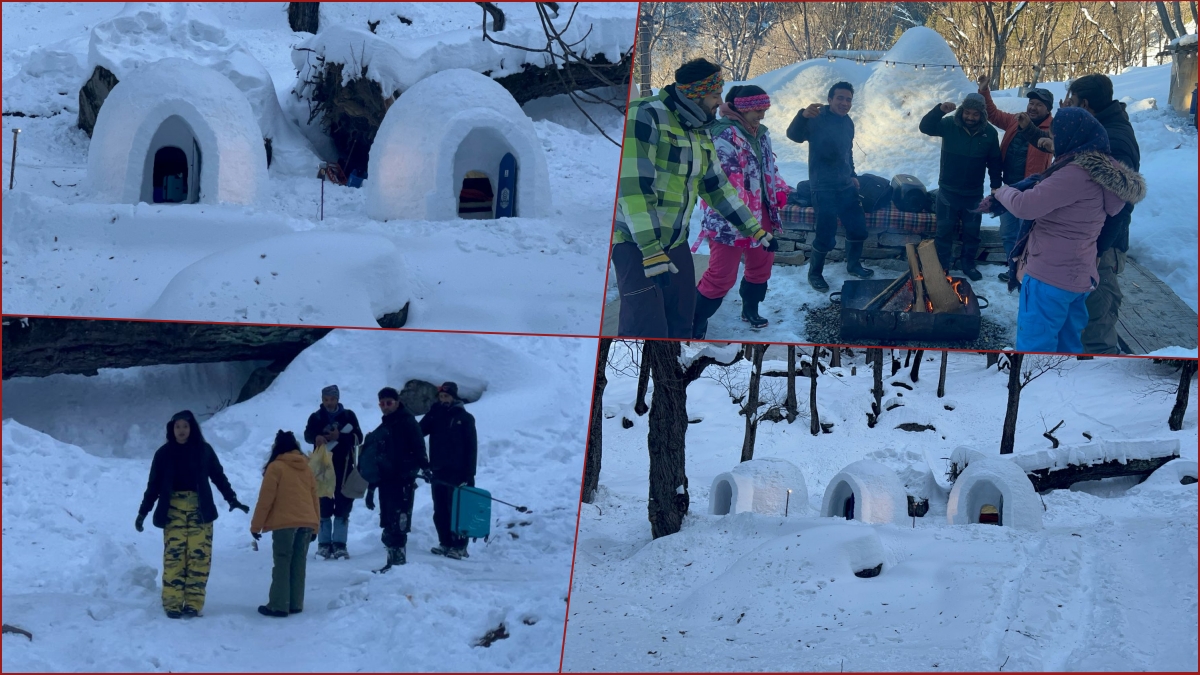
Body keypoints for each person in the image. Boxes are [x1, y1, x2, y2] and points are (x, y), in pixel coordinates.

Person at [612, 57, 774, 339]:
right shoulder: (646, 114)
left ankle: (675, 378)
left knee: (681, 321)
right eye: (714, 95)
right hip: (637, 245)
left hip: (675, 242)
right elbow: (634, 187)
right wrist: (650, 250)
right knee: (645, 328)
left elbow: (716, 186)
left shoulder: (698, 128)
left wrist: (754, 230)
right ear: (694, 93)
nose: (719, 102)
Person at [992, 107, 1145, 353]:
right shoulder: (1105, 169)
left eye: (1055, 138)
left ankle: (1033, 392)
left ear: (1069, 137)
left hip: (1049, 275)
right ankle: (1060, 389)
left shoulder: (1075, 173)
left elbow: (1025, 205)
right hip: (1079, 276)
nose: (1053, 143)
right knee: (1068, 347)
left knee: (1035, 351)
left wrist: (1002, 191)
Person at [1026, 74, 1142, 354]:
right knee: (1075, 321)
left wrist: (1098, 249)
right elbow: (1078, 152)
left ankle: (1097, 379)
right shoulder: (1102, 128)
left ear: (1086, 104)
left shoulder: (1115, 140)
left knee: (1094, 326)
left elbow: (1120, 203)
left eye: (1075, 103)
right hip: (1086, 243)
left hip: (1097, 245)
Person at [691, 85, 792, 337]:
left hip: (763, 213)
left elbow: (770, 169)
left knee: (761, 266)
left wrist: (778, 189)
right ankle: (695, 318)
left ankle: (750, 309)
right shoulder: (723, 135)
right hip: (730, 218)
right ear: (743, 108)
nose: (763, 115)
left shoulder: (760, 134)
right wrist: (749, 218)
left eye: (765, 110)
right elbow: (726, 183)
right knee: (721, 275)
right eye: (758, 110)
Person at [136, 410, 249, 619]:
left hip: (200, 511)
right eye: (177, 426)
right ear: (172, 429)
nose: (181, 430)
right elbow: (153, 486)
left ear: (192, 428)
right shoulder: (163, 454)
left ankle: (193, 604)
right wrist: (143, 511)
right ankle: (172, 603)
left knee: (199, 558)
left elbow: (218, 476)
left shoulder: (204, 450)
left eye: (185, 426)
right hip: (173, 511)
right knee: (174, 558)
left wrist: (232, 499)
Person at [786, 81, 875, 292]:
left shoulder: (848, 122)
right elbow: (794, 136)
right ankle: (815, 273)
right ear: (830, 99)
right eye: (840, 98)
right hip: (822, 186)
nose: (845, 103)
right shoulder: (816, 117)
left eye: (848, 99)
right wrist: (801, 116)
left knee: (858, 228)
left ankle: (853, 265)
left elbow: (847, 152)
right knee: (825, 234)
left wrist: (852, 175)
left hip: (845, 185)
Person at [977, 77, 1055, 282]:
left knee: (1027, 236)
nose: (1033, 107)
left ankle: (1028, 275)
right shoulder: (1015, 120)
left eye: (1039, 105)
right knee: (1008, 232)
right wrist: (984, 91)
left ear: (1048, 110)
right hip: (1008, 188)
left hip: (1032, 192)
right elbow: (992, 114)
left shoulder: (1053, 130)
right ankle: (1013, 270)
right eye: (1031, 103)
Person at [918, 93, 1003, 280]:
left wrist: (996, 186)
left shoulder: (989, 133)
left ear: (982, 115)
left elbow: (995, 162)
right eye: (967, 112)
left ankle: (968, 264)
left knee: (972, 233)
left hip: (973, 194)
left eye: (975, 114)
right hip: (948, 192)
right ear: (962, 111)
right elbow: (925, 127)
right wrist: (939, 110)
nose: (970, 117)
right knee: (944, 232)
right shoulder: (949, 125)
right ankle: (942, 266)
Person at [250, 430, 320, 618]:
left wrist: (256, 526)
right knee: (299, 563)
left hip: (284, 523)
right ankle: (296, 603)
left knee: (282, 562)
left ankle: (279, 605)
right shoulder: (306, 466)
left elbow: (266, 500)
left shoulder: (276, 467)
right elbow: (314, 497)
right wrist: (316, 525)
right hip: (306, 521)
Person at [364, 387, 429, 571]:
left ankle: (398, 565)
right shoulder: (385, 425)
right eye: (382, 404)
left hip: (403, 480)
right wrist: (371, 487)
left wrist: (425, 467)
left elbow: (419, 447)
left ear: (397, 402)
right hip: (386, 481)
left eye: (389, 403)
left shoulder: (407, 422)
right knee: (388, 520)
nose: (385, 407)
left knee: (399, 522)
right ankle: (392, 562)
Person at [303, 384, 363, 560]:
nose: (329, 403)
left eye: (332, 399)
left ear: (338, 399)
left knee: (343, 505)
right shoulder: (316, 417)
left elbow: (359, 438)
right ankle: (323, 544)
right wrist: (317, 438)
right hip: (322, 468)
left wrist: (341, 437)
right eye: (326, 399)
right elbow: (308, 435)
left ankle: (339, 544)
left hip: (344, 467)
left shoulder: (348, 416)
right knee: (323, 504)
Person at [419, 382, 479, 560]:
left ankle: (460, 546)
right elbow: (418, 431)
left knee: (458, 509)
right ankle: (445, 542)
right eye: (441, 397)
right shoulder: (435, 415)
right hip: (438, 469)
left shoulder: (465, 418)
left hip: (458, 472)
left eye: (447, 396)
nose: (444, 400)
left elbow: (472, 448)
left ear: (454, 397)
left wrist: (469, 475)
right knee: (440, 509)